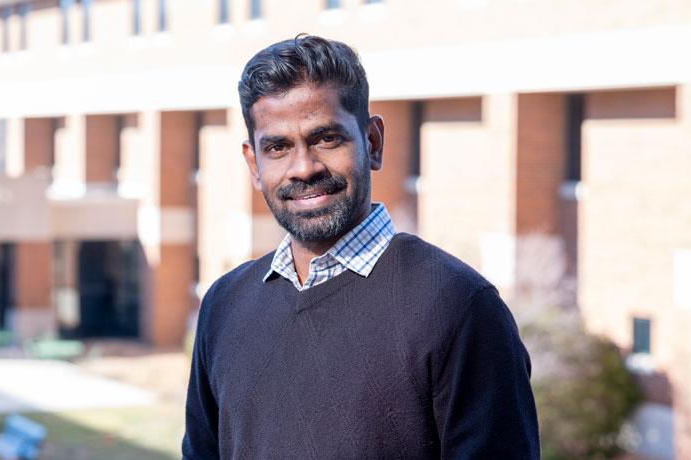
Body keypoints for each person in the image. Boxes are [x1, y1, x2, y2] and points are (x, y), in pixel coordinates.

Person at [182, 35, 540, 460]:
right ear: (253, 164)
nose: (304, 168)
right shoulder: (224, 304)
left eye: (327, 139)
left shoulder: (458, 306)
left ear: (372, 142)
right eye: (277, 147)